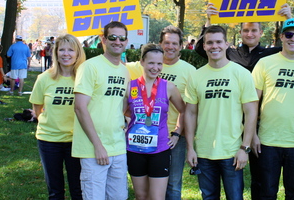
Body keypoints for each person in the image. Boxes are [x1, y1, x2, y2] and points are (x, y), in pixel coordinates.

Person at [196, 2, 294, 199]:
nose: (250, 34)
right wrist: (209, 21)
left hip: (259, 117)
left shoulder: (270, 54)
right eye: (246, 30)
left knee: (260, 175)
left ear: (261, 32)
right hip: (229, 114)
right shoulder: (230, 53)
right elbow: (201, 49)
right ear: (240, 33)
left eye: (254, 30)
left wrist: (289, 18)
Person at [185, 25, 258, 200]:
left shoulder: (241, 74)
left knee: (235, 197)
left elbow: (251, 112)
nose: (214, 46)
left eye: (219, 42)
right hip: (204, 151)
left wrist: (244, 147)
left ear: (227, 44)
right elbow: (190, 114)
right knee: (209, 197)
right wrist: (190, 148)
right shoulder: (196, 76)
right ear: (204, 46)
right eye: (209, 43)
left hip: (232, 151)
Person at [126, 25, 196, 200]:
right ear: (142, 62)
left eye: (159, 63)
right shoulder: (131, 84)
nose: (155, 67)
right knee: (141, 194)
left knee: (166, 191)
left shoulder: (173, 83)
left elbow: (185, 110)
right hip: (136, 146)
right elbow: (123, 111)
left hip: (163, 145)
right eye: (151, 63)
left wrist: (177, 134)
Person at [251, 18, 294, 199]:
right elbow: (253, 102)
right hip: (268, 141)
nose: (293, 38)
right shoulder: (265, 63)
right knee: (267, 193)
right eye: (288, 34)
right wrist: (253, 135)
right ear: (281, 37)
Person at [73, 21, 130, 200]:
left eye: (122, 38)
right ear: (103, 39)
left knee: (119, 197)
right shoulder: (90, 66)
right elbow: (80, 107)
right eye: (112, 37)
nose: (117, 41)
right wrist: (98, 146)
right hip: (93, 149)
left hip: (118, 147)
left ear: (126, 42)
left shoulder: (125, 71)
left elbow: (121, 104)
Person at [29, 34, 86, 199]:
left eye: (70, 50)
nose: (66, 54)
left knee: (78, 189)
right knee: (55, 191)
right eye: (62, 49)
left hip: (77, 140)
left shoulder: (84, 78)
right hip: (49, 141)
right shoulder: (44, 78)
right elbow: (37, 107)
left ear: (77, 53)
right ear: (55, 52)